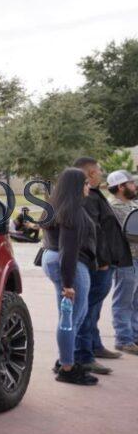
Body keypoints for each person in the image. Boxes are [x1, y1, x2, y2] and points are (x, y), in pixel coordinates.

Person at [73, 157, 131, 373]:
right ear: (89, 174)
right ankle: (84, 356)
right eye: (98, 170)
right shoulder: (86, 197)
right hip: (98, 264)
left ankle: (94, 346)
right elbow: (92, 232)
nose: (101, 173)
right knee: (87, 311)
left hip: (105, 262)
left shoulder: (94, 193)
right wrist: (101, 260)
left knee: (93, 310)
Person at [42, 167, 99, 385]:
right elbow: (69, 249)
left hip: (56, 259)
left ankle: (65, 360)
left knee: (71, 316)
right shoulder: (72, 211)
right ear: (76, 187)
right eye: (85, 183)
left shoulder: (57, 206)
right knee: (72, 318)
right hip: (69, 265)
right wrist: (68, 283)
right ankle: (67, 368)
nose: (89, 186)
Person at [106, 169, 138, 355]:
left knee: (135, 301)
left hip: (136, 259)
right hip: (126, 260)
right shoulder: (115, 208)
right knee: (124, 300)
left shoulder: (132, 204)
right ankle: (124, 339)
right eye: (131, 183)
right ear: (121, 187)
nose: (135, 186)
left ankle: (134, 336)